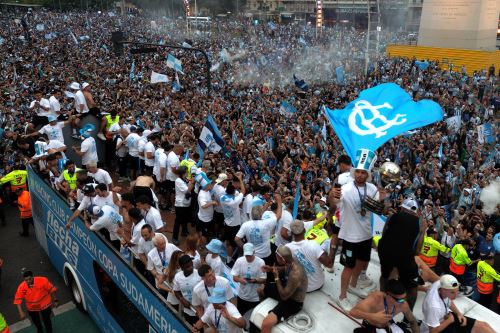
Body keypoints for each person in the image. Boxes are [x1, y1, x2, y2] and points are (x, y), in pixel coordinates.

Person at [331, 149, 382, 311]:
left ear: (367, 174)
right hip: (351, 237)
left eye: (363, 172)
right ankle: (342, 296)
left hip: (366, 234)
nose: (360, 175)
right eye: (358, 172)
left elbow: (376, 209)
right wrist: (333, 196)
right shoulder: (345, 189)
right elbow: (334, 205)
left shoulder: (373, 188)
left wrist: (383, 199)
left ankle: (353, 285)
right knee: (348, 267)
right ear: (354, 173)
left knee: (362, 262)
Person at [378, 198, 426, 310]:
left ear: (403, 208)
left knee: (385, 276)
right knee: (413, 287)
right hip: (404, 258)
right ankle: (406, 319)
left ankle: (382, 302)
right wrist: (423, 231)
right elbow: (417, 251)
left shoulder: (392, 217)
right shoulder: (419, 222)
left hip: (386, 252)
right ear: (415, 211)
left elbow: (384, 235)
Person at [420, 274, 495, 333]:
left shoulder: (440, 284)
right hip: (438, 327)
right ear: (443, 290)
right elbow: (432, 331)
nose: (455, 296)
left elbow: (448, 301)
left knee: (483, 326)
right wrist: (450, 320)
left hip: (446, 317)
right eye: (452, 292)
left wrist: (459, 314)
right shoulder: (434, 307)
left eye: (456, 291)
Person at [260, 245, 307, 333]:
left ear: (282, 259)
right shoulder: (291, 261)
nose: (275, 259)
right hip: (286, 289)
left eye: (277, 257)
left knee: (266, 324)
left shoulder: (295, 274)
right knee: (261, 289)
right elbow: (285, 269)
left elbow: (284, 297)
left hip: (293, 301)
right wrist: (271, 269)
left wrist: (276, 277)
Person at [350, 279, 420, 333]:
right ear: (388, 295)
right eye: (399, 300)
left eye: (404, 298)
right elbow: (353, 312)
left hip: (388, 325)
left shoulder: (403, 304)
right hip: (371, 326)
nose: (403, 302)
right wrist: (372, 316)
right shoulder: (375, 298)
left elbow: (412, 321)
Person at [285, 220, 335, 292]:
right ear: (304, 230)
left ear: (292, 233)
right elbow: (329, 264)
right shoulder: (314, 244)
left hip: (301, 287)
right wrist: (333, 248)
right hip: (318, 284)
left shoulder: (287, 247)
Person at [235, 194, 282, 265]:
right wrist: (279, 202)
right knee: (266, 272)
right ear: (261, 215)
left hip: (252, 254)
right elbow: (278, 216)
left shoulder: (246, 224)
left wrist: (245, 248)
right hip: (265, 255)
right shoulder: (266, 223)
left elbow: (237, 239)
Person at [231, 243, 266, 316]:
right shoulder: (239, 261)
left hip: (255, 298)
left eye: (250, 255)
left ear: (254, 252)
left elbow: (264, 280)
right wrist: (241, 280)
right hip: (242, 296)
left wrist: (255, 280)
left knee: (252, 316)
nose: (248, 257)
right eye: (246, 255)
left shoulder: (260, 262)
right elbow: (234, 277)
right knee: (241, 315)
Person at [173, 255, 201, 325]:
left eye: (191, 265)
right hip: (188, 311)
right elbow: (176, 291)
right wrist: (181, 299)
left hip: (200, 312)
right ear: (182, 268)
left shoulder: (199, 274)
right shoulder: (178, 277)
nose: (191, 267)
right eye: (188, 267)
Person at [172, 165, 194, 244]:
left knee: (185, 219)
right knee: (178, 221)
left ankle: (184, 231)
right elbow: (187, 191)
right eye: (186, 172)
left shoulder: (184, 179)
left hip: (186, 203)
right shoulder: (178, 180)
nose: (187, 173)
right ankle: (174, 238)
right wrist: (192, 182)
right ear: (182, 173)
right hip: (180, 204)